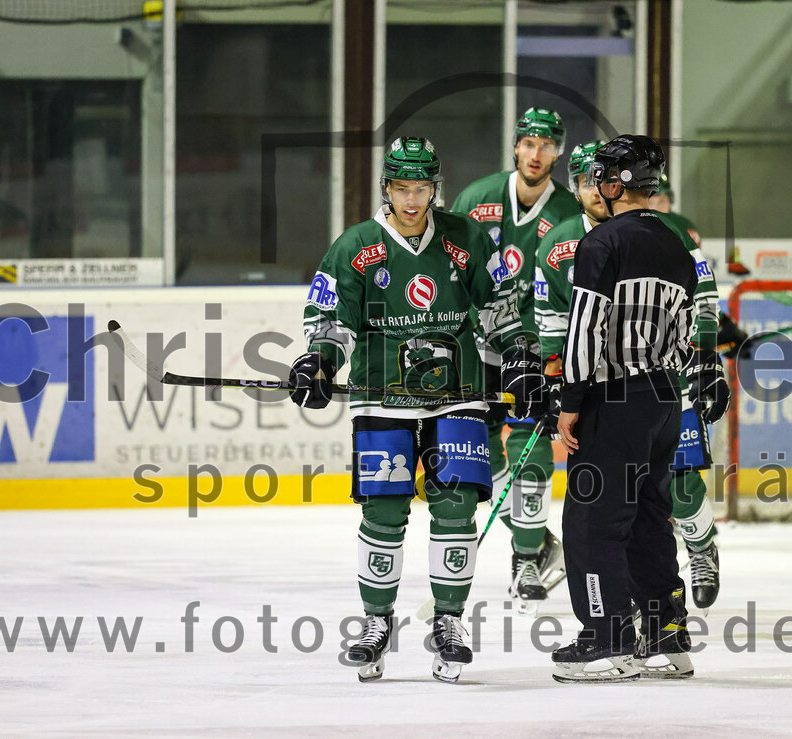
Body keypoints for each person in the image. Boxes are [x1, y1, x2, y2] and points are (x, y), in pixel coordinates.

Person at [290, 137, 545, 683]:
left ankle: (449, 623)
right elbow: (332, 320)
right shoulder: (356, 245)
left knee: (456, 508)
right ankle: (375, 624)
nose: (411, 199)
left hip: (459, 394)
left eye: (421, 188)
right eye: (401, 188)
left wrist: (521, 356)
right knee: (383, 513)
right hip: (383, 397)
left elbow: (501, 307)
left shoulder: (466, 237)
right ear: (386, 188)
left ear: (436, 188)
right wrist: (319, 361)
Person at [552, 135, 730, 683]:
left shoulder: (602, 243)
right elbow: (686, 331)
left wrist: (570, 402)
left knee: (593, 520)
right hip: (662, 400)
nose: (598, 184)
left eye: (604, 175)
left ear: (617, 184)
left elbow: (585, 329)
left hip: (612, 398)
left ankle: (604, 640)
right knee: (650, 515)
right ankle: (666, 636)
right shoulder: (675, 244)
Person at [450, 107, 581, 614]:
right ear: (515, 147)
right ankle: (539, 539)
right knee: (475, 455)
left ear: (558, 152)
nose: (536, 153)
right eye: (528, 143)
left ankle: (525, 558)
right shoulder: (476, 197)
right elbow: (450, 266)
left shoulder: (569, 209)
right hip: (478, 346)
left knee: (532, 453)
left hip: (534, 351)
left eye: (546, 145)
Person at [647, 173, 725, 610]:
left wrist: (708, 350)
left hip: (673, 371)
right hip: (620, 378)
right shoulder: (589, 237)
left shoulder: (677, 232)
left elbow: (704, 292)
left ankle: (701, 548)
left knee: (680, 482)